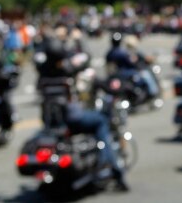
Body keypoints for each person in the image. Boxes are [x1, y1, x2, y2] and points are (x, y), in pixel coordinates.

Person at [35, 30, 130, 191]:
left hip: (50, 121)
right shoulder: (66, 71)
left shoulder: (42, 74)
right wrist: (79, 39)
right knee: (102, 122)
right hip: (72, 118)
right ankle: (113, 168)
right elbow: (85, 58)